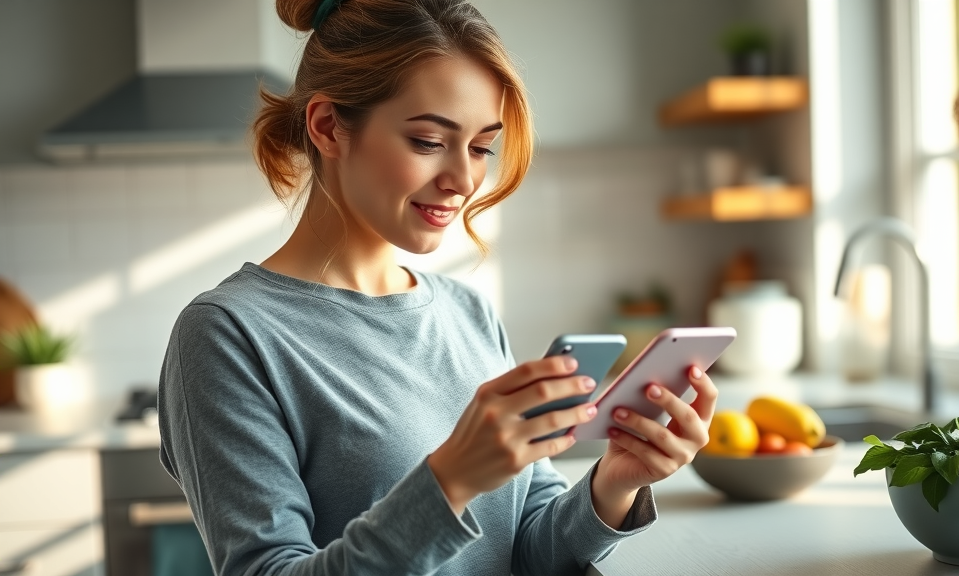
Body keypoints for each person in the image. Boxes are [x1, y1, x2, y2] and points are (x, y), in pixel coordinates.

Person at [157, 0, 718, 574]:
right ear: (327, 126)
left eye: (480, 148)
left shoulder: (466, 311)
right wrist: (451, 479)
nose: (463, 180)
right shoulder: (227, 334)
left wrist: (612, 486)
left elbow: (524, 548)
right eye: (428, 142)